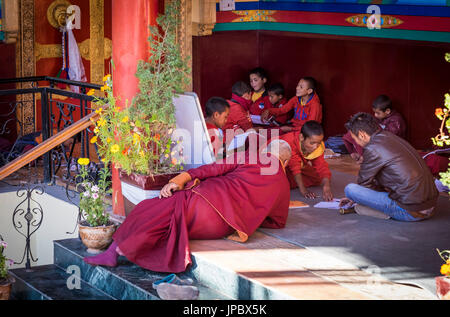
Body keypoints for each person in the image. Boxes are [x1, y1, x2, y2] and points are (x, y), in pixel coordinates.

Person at [83, 140, 293, 273]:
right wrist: (251, 213)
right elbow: (277, 222)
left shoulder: (253, 156)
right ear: (284, 163)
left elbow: (213, 169)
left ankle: (114, 251)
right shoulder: (284, 185)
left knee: (151, 208)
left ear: (267, 151)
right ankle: (117, 251)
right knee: (168, 220)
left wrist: (179, 179)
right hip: (221, 228)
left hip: (205, 200)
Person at [339, 112, 438, 222]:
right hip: (430, 206)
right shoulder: (390, 137)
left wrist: (357, 197)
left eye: (354, 138)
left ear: (362, 135)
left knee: (351, 190)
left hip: (410, 211)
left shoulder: (372, 148)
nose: (356, 142)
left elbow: (364, 184)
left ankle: (378, 211)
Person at [278, 120, 333, 201]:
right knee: (276, 179)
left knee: (318, 178)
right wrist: (303, 190)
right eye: (312, 143)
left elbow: (321, 166)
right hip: (273, 164)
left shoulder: (317, 146)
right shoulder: (289, 141)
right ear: (301, 137)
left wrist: (326, 186)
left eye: (318, 143)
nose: (315, 147)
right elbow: (295, 167)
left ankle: (286, 182)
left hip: (291, 166)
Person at [343, 94, 406, 164]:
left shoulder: (396, 120)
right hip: (378, 141)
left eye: (378, 113)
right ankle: (358, 154)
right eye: (374, 112)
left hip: (391, 147)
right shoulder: (380, 117)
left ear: (387, 111)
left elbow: (387, 137)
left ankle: (365, 157)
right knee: (356, 132)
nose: (375, 115)